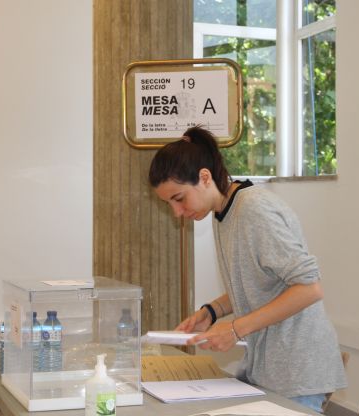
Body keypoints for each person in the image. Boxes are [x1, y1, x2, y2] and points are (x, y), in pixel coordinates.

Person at [148, 126, 347, 413]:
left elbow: (309, 288)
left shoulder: (255, 210)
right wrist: (211, 312)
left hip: (297, 372)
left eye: (179, 199)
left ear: (204, 178)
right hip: (266, 368)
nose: (177, 212)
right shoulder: (221, 213)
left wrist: (234, 329)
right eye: (169, 204)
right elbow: (258, 281)